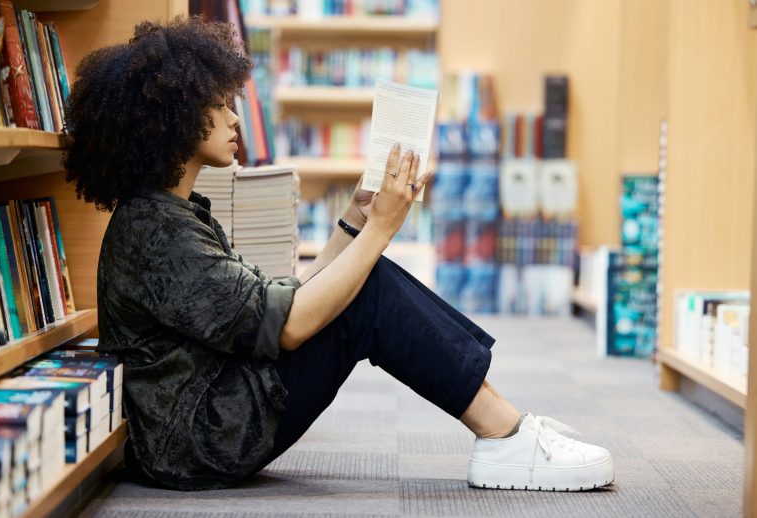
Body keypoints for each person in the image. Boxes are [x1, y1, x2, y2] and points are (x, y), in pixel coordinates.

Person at [62, 17, 614, 492]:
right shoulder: (158, 233)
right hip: (201, 441)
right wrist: (382, 231)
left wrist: (356, 221)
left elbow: (283, 307)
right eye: (217, 105)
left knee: (361, 283)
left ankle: (506, 426)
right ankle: (505, 434)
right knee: (367, 289)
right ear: (171, 119)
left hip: (211, 411)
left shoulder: (170, 215)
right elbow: (293, 328)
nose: (234, 119)